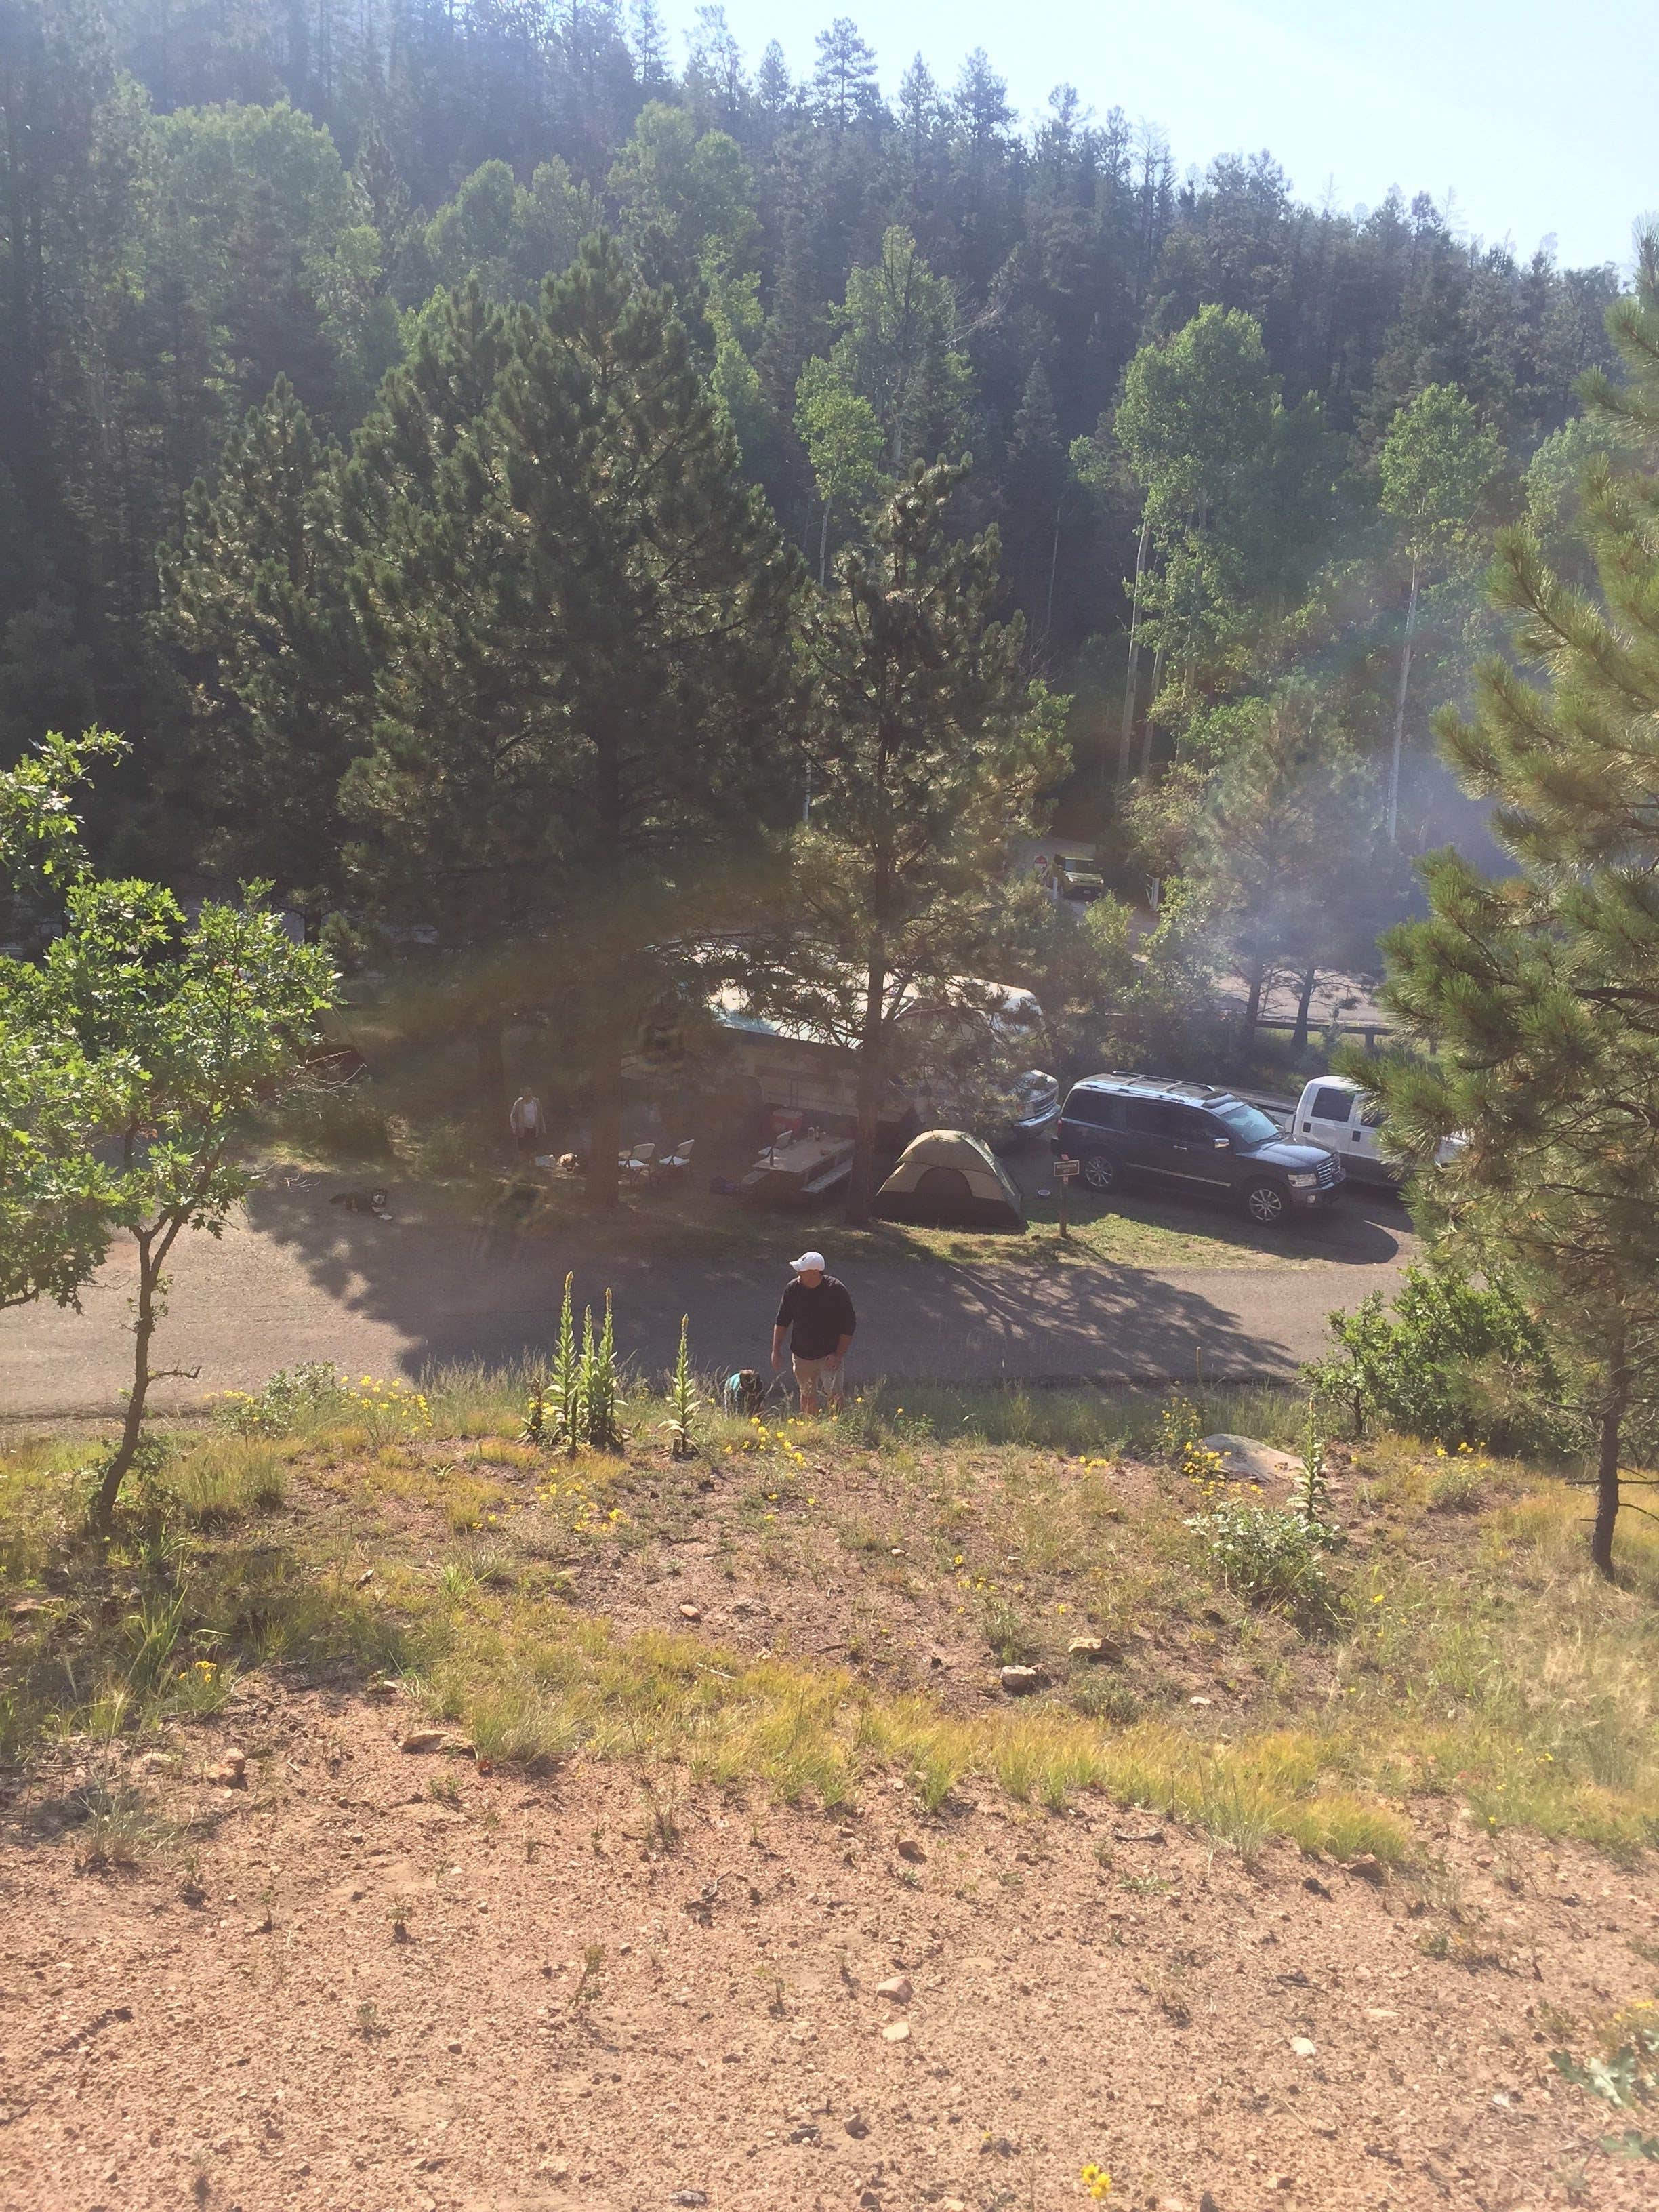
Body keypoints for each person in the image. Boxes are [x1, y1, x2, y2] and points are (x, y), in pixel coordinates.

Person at [771, 1250, 855, 1416]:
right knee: (807, 1395)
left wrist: (838, 1355)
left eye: (802, 1271)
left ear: (815, 1273)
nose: (798, 1274)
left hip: (829, 1356)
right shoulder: (792, 1289)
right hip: (802, 1356)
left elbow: (849, 1326)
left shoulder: (836, 1290)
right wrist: (776, 1350)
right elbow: (782, 1321)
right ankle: (811, 1426)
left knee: (835, 1396)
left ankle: (836, 1425)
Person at [509, 1090, 544, 1158]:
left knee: (533, 1150)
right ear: (523, 1094)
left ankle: (533, 1163)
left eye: (530, 1092)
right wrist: (514, 1128)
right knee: (522, 1151)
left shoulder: (536, 1102)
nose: (528, 1094)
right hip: (522, 1130)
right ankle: (523, 1164)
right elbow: (513, 1116)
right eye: (526, 1092)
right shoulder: (518, 1103)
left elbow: (540, 1115)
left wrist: (543, 1128)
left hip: (533, 1129)